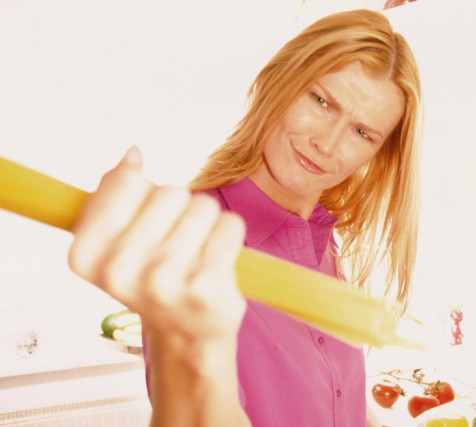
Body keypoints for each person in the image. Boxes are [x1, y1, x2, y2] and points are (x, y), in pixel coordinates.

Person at [68, 9, 422, 427]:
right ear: (280, 80)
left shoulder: (323, 240)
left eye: (362, 133)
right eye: (321, 101)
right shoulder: (194, 245)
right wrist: (198, 351)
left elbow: (340, 400)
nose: (327, 144)